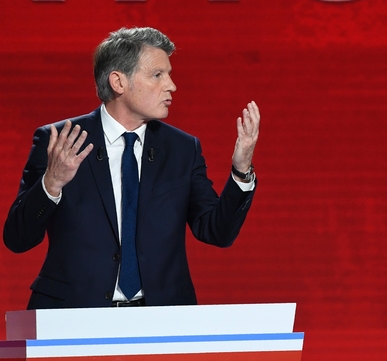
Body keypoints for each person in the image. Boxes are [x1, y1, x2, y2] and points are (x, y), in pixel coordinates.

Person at [3, 27, 260, 309]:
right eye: (157, 75)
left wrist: (241, 171)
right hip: (73, 316)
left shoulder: (181, 149)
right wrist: (51, 185)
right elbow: (18, 239)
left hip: (161, 315)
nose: (172, 85)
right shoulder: (60, 141)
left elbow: (216, 232)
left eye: (169, 74)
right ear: (118, 82)